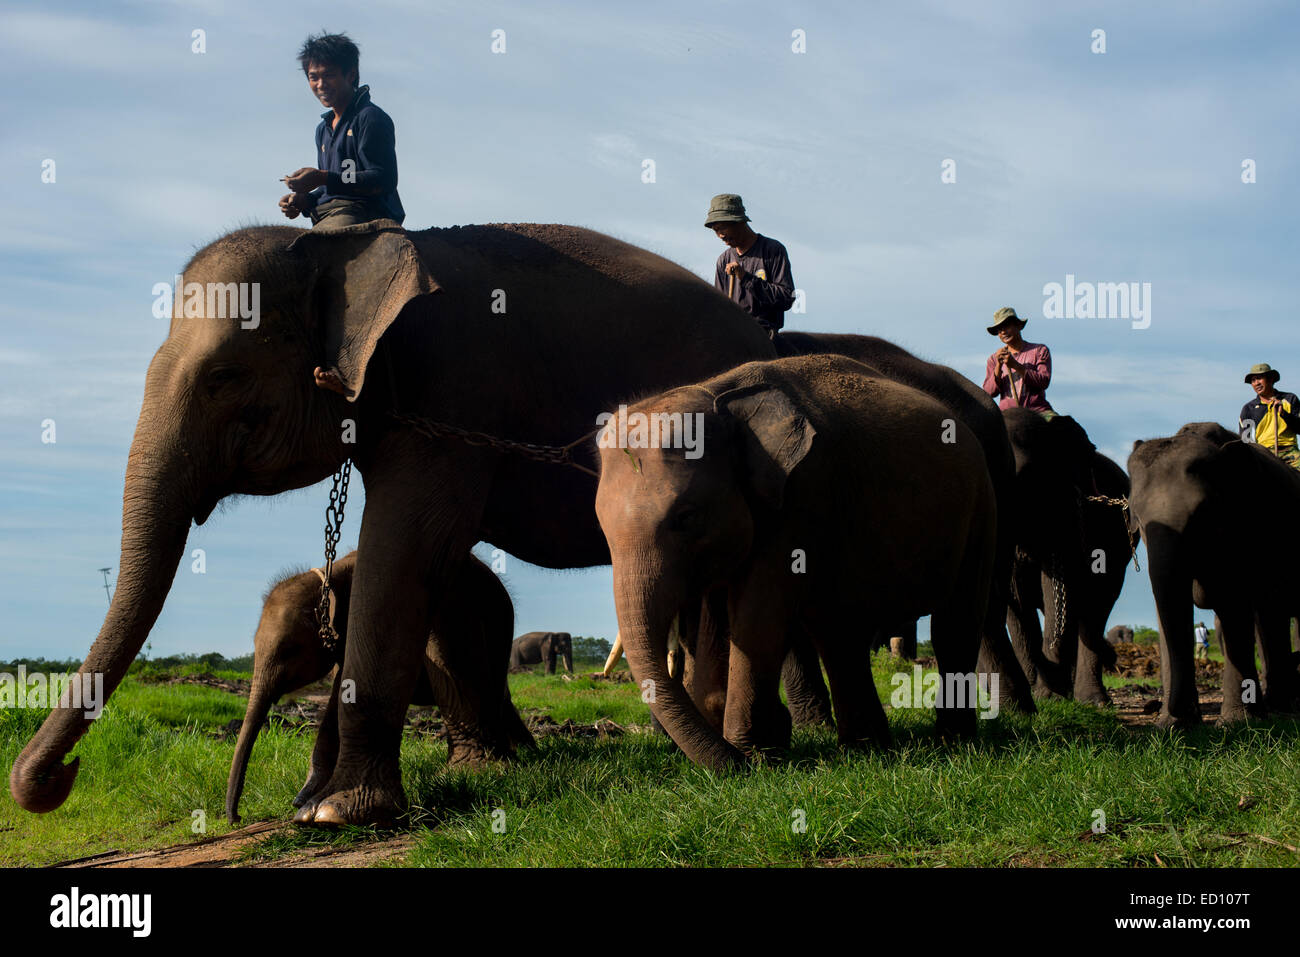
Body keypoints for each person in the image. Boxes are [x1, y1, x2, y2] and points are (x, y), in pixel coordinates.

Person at [278, 33, 405, 230]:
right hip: (330, 213)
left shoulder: (370, 117)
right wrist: (305, 200)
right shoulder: (323, 129)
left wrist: (322, 177)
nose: (321, 84)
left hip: (364, 212)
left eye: (329, 75)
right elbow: (337, 184)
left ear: (351, 75)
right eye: (314, 77)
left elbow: (382, 178)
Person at [705, 194, 795, 339]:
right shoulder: (723, 260)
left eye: (723, 228)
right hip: (733, 335)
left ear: (739, 222)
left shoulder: (772, 250)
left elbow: (786, 298)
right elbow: (721, 308)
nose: (720, 235)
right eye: (716, 230)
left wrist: (746, 278)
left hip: (765, 336)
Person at [982, 306, 1054, 415]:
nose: (1003, 332)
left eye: (1006, 326)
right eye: (999, 329)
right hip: (1007, 415)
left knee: (1062, 426)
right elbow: (989, 392)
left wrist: (1015, 365)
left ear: (1019, 326)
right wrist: (998, 366)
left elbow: (1044, 382)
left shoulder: (1039, 350)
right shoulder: (993, 359)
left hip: (1038, 412)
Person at [1238, 363, 1300, 470]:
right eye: (1253, 381)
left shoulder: (1290, 399)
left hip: (1290, 451)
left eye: (1259, 378)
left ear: (1270, 379)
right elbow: (1245, 440)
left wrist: (1284, 414)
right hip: (1264, 453)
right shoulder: (1248, 408)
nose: (1256, 383)